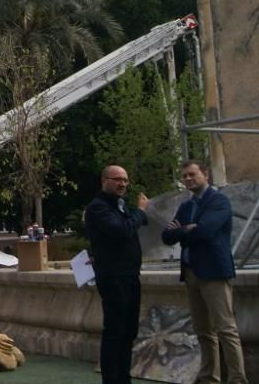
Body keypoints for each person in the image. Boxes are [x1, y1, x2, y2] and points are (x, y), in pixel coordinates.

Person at [162, 160, 247, 384]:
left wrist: (182, 231)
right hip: (191, 273)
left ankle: (237, 379)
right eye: (185, 177)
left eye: (192, 175)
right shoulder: (186, 206)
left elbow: (206, 232)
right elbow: (166, 236)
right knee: (203, 331)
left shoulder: (219, 201)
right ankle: (210, 377)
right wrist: (186, 229)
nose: (188, 179)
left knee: (226, 329)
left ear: (205, 175)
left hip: (214, 272)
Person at [85, 165, 149, 384]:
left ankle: (123, 378)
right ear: (104, 180)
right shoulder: (98, 207)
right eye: (117, 179)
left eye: (125, 180)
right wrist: (140, 212)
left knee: (128, 332)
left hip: (130, 275)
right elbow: (122, 230)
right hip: (114, 277)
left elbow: (130, 226)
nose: (122, 184)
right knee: (115, 331)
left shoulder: (121, 205)